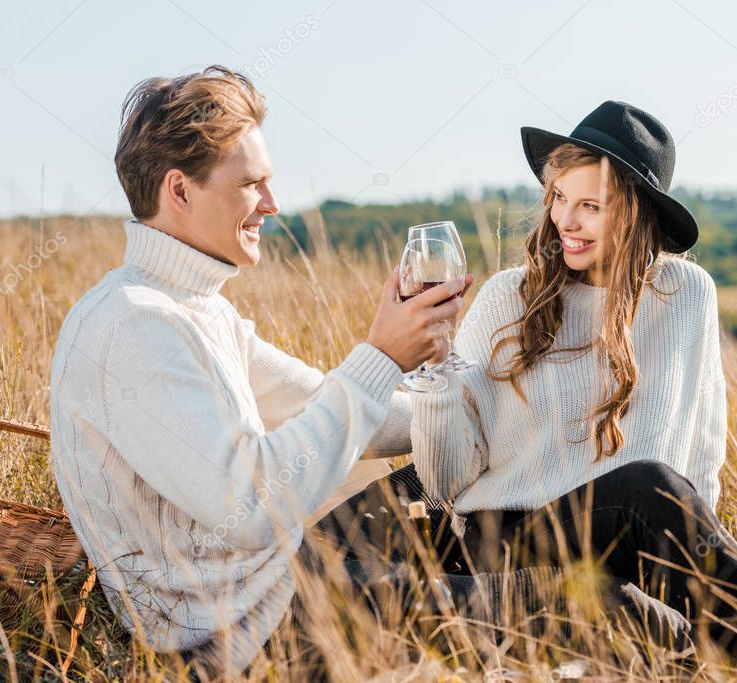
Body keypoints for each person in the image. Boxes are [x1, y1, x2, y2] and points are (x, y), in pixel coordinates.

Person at [323, 101, 737, 678]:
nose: (565, 219)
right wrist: (433, 378)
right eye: (559, 197)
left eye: (590, 206)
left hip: (650, 534)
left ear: (637, 212)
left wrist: (701, 555)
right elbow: (445, 484)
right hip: (519, 540)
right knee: (644, 484)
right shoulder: (505, 299)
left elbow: (702, 448)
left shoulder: (686, 295)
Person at [48, 65, 469, 678]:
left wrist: (469, 408)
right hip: (247, 634)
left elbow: (317, 402)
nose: (273, 204)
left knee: (589, 503)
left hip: (284, 577)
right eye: (252, 184)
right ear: (181, 191)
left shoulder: (198, 309)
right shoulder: (133, 326)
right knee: (581, 605)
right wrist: (381, 357)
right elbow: (246, 507)